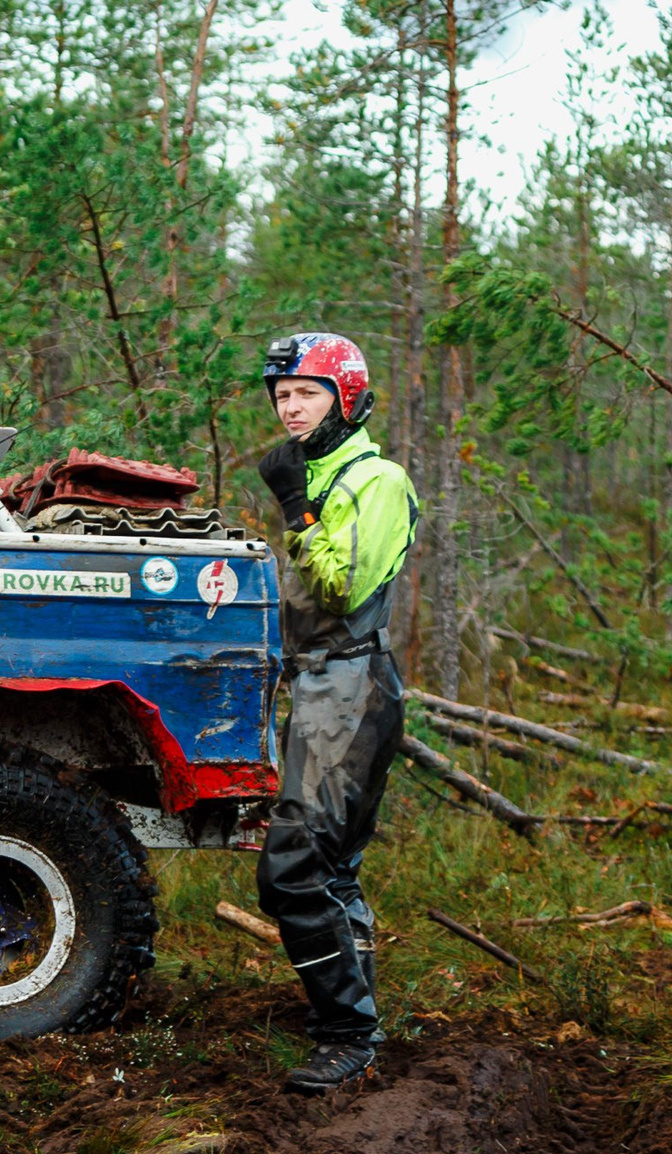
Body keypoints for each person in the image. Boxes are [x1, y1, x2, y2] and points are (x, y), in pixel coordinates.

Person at [254, 331, 420, 1094]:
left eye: (306, 393)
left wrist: (296, 507)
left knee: (292, 868)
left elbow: (342, 591)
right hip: (323, 686)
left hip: (353, 686)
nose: (290, 407)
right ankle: (359, 1021)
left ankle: (347, 1032)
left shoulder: (376, 480)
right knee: (333, 871)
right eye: (282, 394)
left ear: (345, 397)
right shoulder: (320, 475)